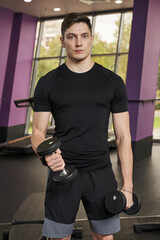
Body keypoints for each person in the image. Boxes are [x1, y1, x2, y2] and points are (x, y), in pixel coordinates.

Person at [31, 12, 133, 240]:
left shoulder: (113, 82)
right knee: (59, 238)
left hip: (101, 173)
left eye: (84, 36)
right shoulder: (48, 83)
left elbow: (123, 137)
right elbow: (37, 133)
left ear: (92, 38)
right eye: (72, 37)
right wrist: (45, 156)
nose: (79, 43)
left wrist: (128, 186)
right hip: (62, 172)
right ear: (62, 41)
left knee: (104, 237)